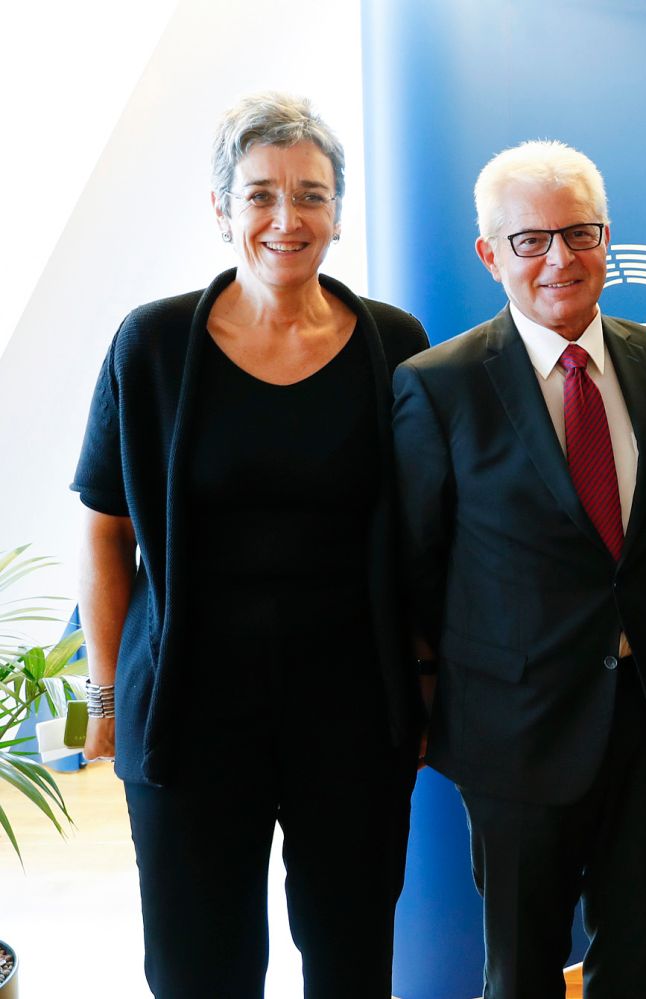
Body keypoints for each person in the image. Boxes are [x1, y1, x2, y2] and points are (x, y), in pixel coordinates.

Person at [71, 91, 428, 998]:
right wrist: (106, 697)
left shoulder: (396, 345)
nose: (286, 217)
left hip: (350, 709)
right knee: (200, 965)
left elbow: (429, 538)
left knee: (350, 956)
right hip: (189, 707)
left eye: (311, 194)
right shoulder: (150, 343)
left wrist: (427, 687)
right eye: (261, 193)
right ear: (222, 209)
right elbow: (105, 529)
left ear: (339, 215)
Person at [391, 140, 646, 999]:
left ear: (609, 238)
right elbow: (415, 570)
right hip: (512, 729)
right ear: (491, 254)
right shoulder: (438, 386)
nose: (560, 259)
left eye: (580, 233)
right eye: (531, 240)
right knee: (523, 967)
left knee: (638, 957)